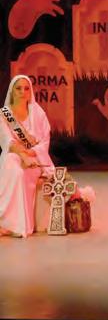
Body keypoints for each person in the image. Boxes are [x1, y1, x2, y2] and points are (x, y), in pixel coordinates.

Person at [0, 75, 55, 237]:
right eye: (18, 88)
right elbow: (7, 141)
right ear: (12, 91)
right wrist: (24, 156)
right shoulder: (4, 114)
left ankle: (19, 227)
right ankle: (5, 222)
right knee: (14, 168)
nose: (22, 92)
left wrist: (31, 153)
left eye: (26, 88)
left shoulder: (38, 113)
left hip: (36, 158)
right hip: (14, 154)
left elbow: (45, 141)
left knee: (24, 174)